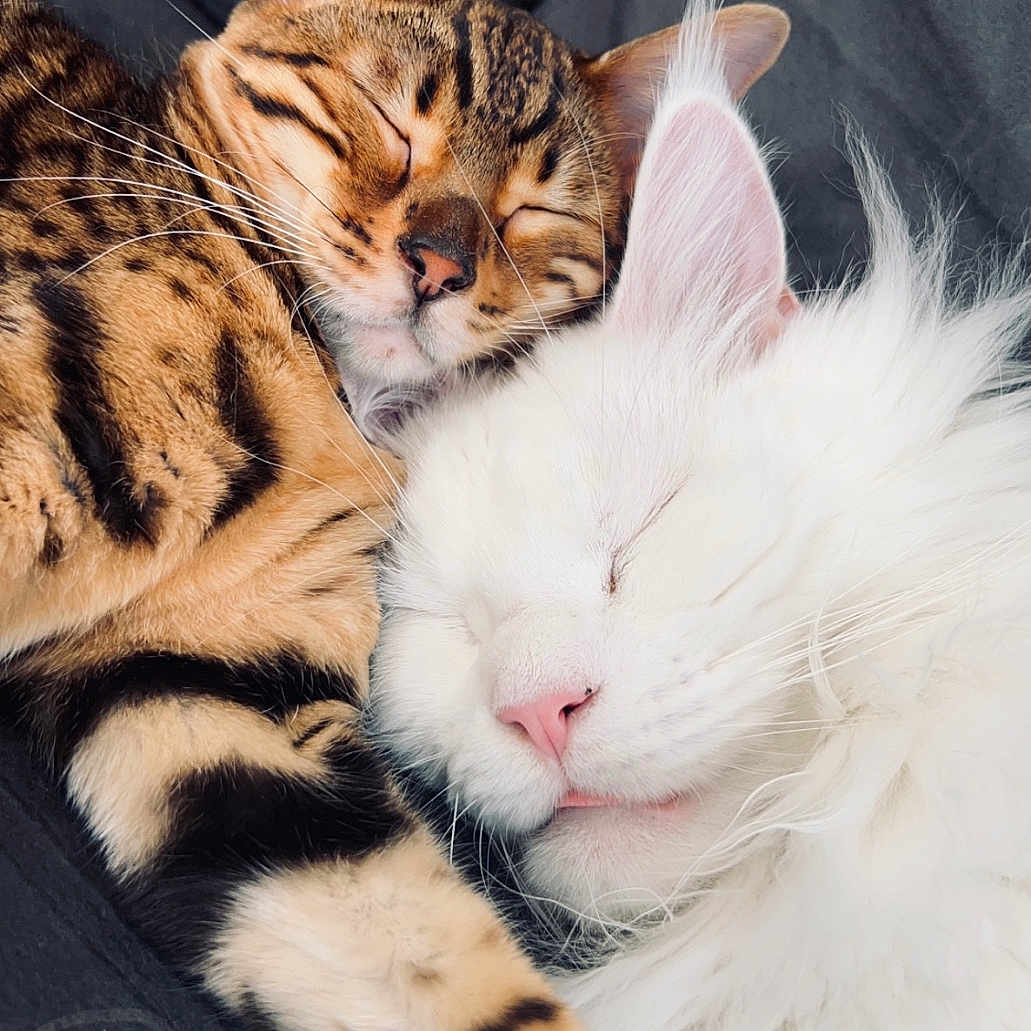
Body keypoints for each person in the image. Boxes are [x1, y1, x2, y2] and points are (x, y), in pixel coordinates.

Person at [2, 1, 1028, 1027]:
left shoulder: (345, 451)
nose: (538, 699)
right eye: (439, 617)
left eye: (632, 547)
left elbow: (231, 782)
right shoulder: (194, 286)